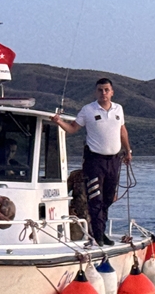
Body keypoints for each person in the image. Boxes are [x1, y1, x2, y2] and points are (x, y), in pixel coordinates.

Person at [51, 78, 132, 246]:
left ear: (112, 92)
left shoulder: (119, 109)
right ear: (96, 92)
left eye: (106, 90)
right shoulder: (88, 110)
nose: (103, 93)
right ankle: (98, 236)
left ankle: (100, 231)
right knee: (95, 199)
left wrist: (128, 150)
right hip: (95, 161)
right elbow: (73, 128)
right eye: (100, 90)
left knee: (109, 198)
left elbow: (122, 130)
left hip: (114, 160)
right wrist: (59, 122)